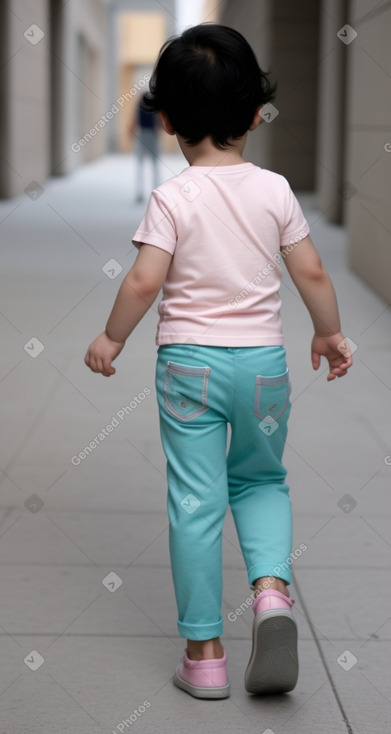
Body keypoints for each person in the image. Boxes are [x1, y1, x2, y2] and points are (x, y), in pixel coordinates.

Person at [84, 23, 353, 700]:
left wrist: (111, 339)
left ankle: (203, 657)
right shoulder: (274, 191)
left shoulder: (173, 198)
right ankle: (269, 597)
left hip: (189, 370)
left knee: (195, 499)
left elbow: (145, 281)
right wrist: (329, 335)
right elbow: (312, 271)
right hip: (261, 368)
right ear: (255, 114)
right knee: (261, 481)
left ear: (167, 117)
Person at [128, 91, 160, 203]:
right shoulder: (148, 107)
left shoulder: (146, 107)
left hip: (147, 135)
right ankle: (145, 191)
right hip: (146, 135)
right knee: (149, 165)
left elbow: (135, 120)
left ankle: (148, 191)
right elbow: (135, 120)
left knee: (146, 165)